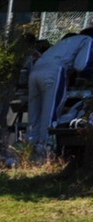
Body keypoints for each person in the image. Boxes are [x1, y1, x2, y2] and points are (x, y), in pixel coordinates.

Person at [28, 25, 93, 153]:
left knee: (34, 114)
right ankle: (47, 150)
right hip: (54, 72)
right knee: (50, 112)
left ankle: (29, 147)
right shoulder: (88, 41)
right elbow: (81, 65)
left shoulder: (66, 42)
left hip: (35, 72)